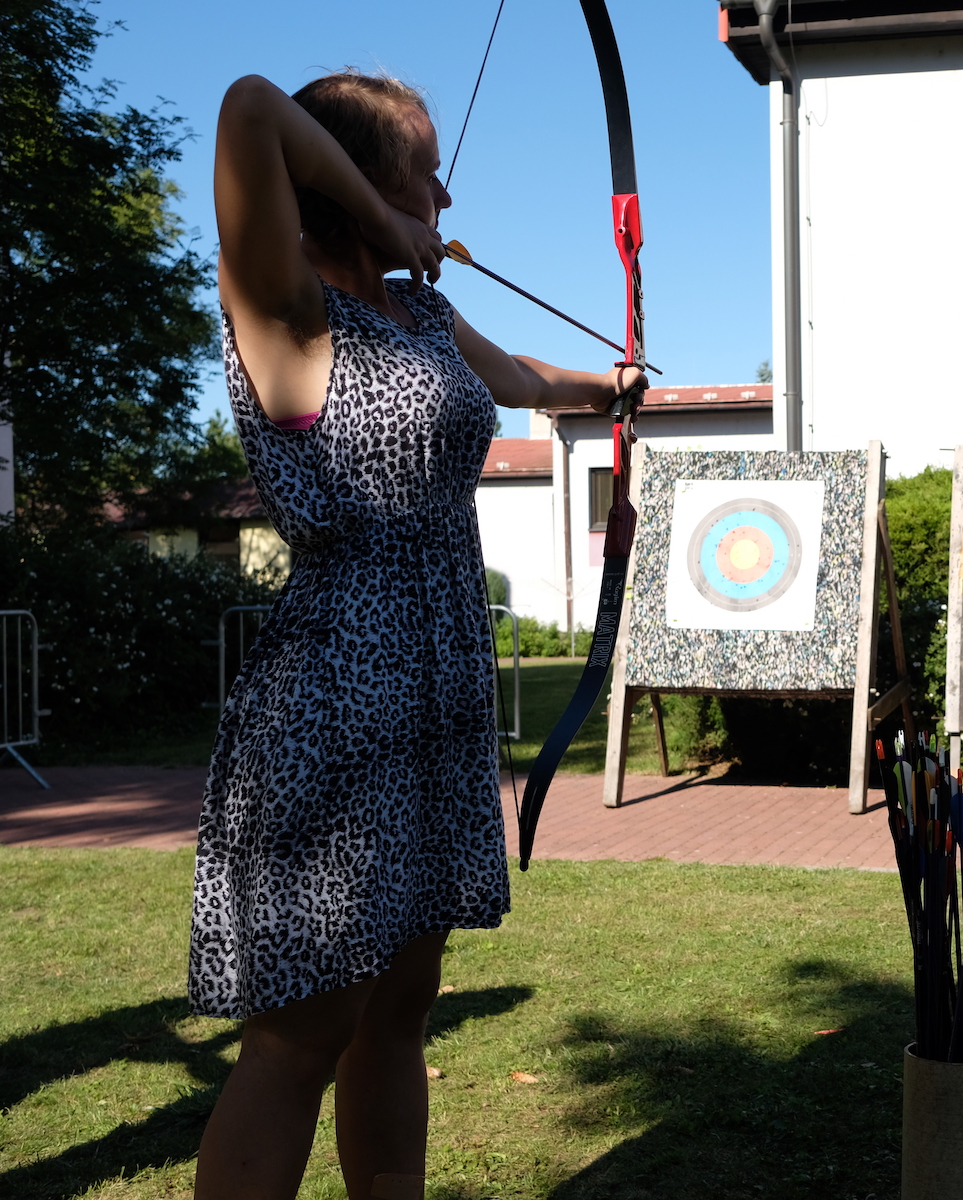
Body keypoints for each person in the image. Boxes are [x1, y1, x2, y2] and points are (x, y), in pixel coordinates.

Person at [192, 71, 643, 1200]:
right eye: (422, 172)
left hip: (439, 691)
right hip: (337, 697)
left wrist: (613, 387)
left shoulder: (422, 314)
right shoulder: (284, 304)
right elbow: (250, 108)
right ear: (350, 179)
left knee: (401, 1008)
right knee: (304, 1031)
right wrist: (387, 223)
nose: (443, 195)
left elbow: (521, 379)